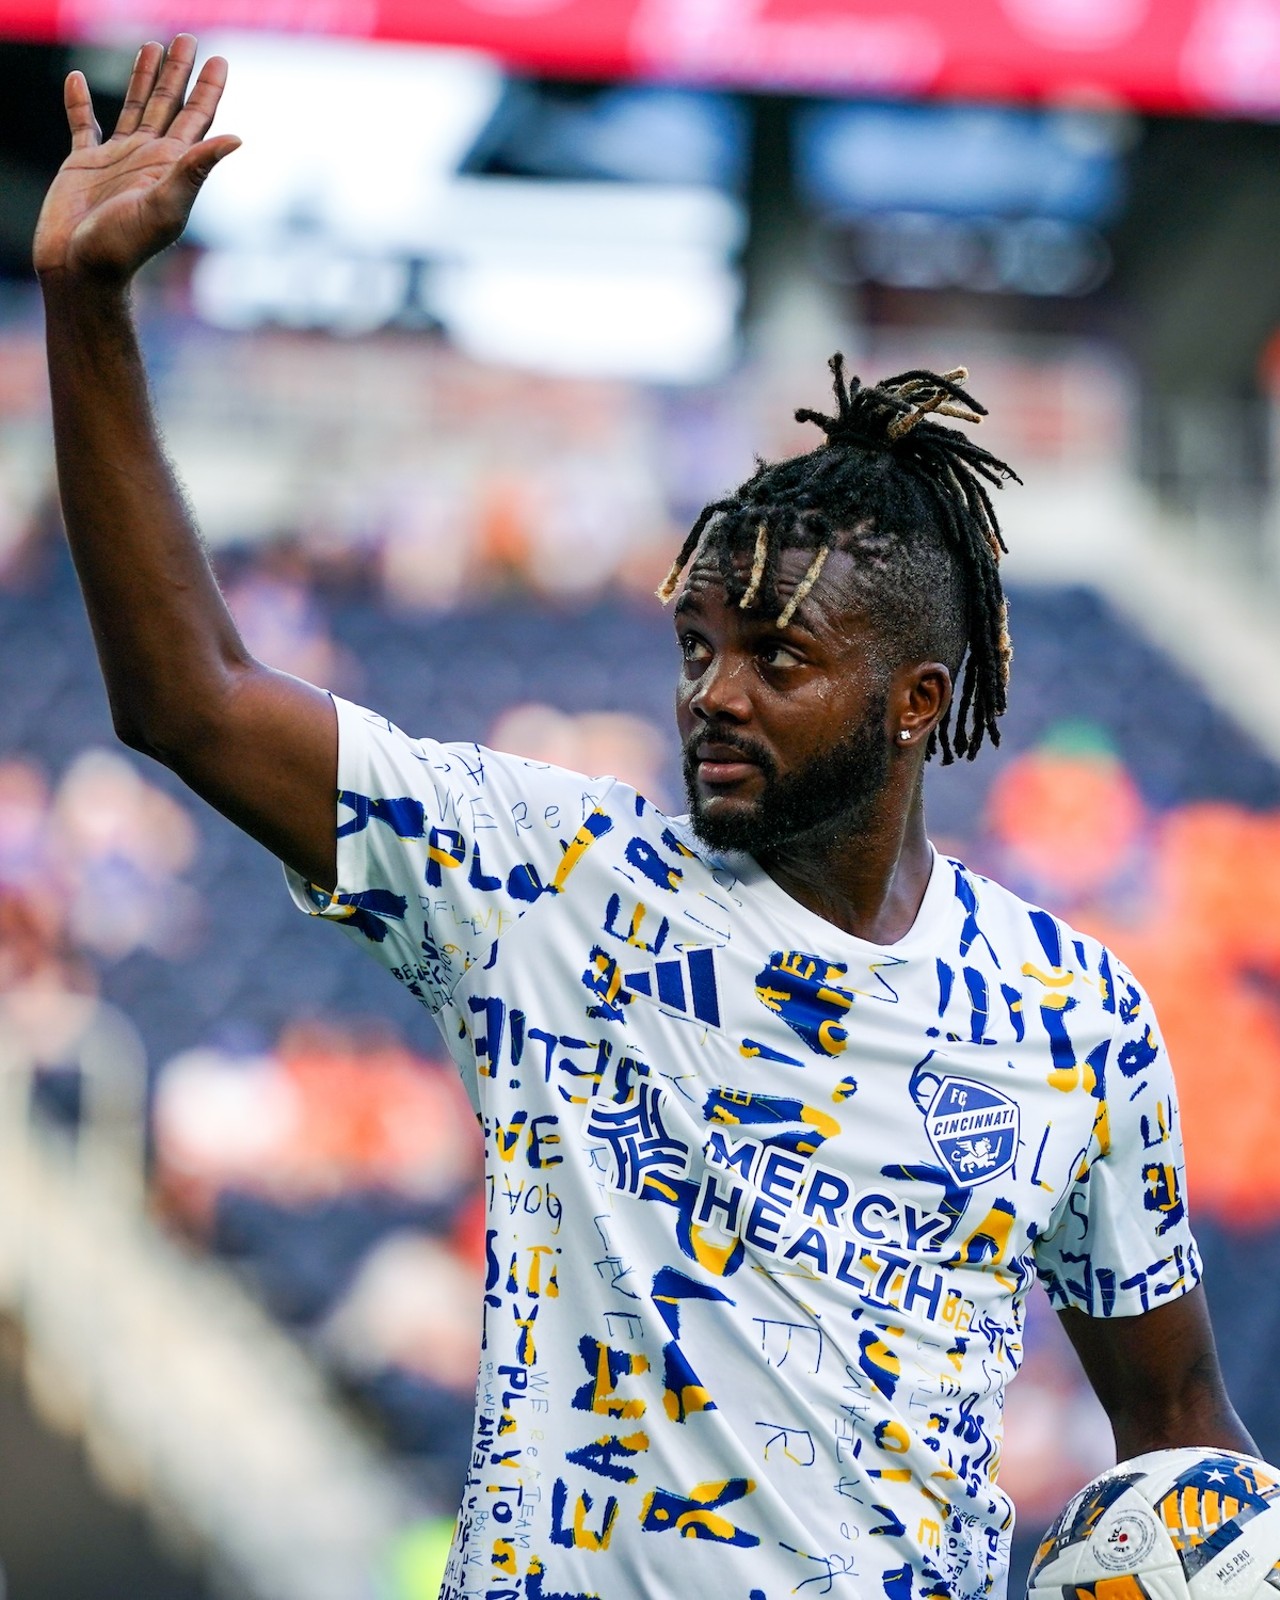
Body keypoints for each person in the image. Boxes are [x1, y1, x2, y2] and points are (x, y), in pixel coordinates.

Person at [34, 37, 1253, 1600]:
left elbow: (1177, 1430)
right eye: (698, 647)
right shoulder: (550, 886)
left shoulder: (1076, 1024)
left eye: (779, 658)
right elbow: (190, 696)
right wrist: (90, 308)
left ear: (916, 705)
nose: (713, 694)